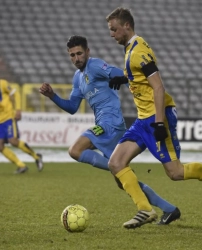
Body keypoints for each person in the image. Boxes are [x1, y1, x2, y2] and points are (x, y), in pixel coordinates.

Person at [106, 7, 202, 229]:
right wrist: (126, 79)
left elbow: (159, 88)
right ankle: (145, 209)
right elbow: (140, 76)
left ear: (127, 25)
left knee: (175, 172)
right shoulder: (130, 49)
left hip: (157, 117)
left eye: (114, 29)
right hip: (143, 119)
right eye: (110, 30)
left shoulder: (138, 51)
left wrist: (160, 123)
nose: (111, 34)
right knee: (116, 162)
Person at [39, 35, 181, 225]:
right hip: (109, 127)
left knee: (76, 150)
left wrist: (121, 79)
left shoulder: (96, 65)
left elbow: (124, 73)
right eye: (72, 55)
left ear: (87, 52)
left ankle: (117, 167)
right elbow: (72, 107)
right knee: (124, 182)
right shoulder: (77, 78)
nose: (76, 58)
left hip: (110, 124)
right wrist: (52, 96)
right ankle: (170, 209)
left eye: (79, 53)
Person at [0, 79, 43, 174]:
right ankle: (21, 166)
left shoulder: (2, 83)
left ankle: (36, 157)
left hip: (8, 117)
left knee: (13, 141)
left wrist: (18, 110)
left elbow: (16, 94)